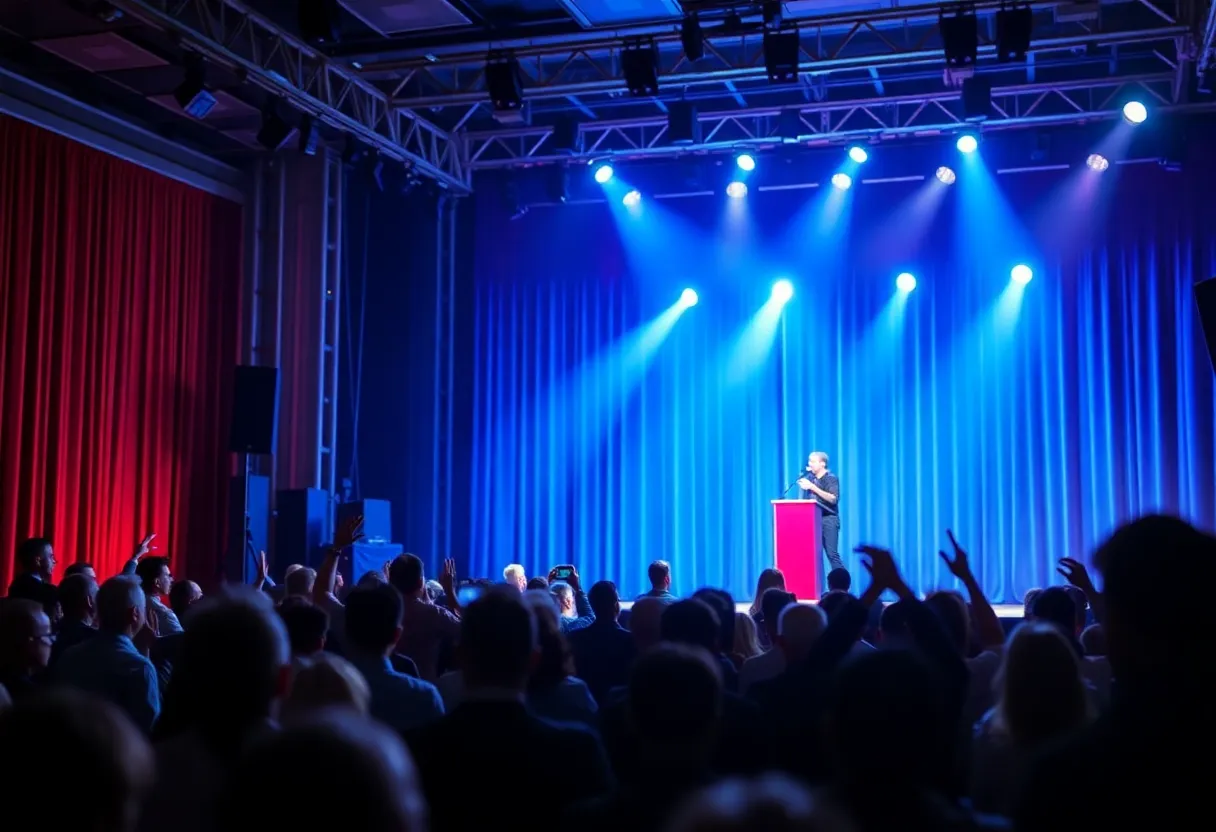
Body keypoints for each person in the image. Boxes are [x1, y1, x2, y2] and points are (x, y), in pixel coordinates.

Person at [796, 451, 842, 572]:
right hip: (811, 520)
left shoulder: (830, 478)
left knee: (832, 554)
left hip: (828, 520)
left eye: (812, 461)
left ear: (822, 463)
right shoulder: (809, 478)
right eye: (809, 461)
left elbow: (833, 499)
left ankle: (841, 586)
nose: (809, 464)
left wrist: (812, 487)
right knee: (810, 555)